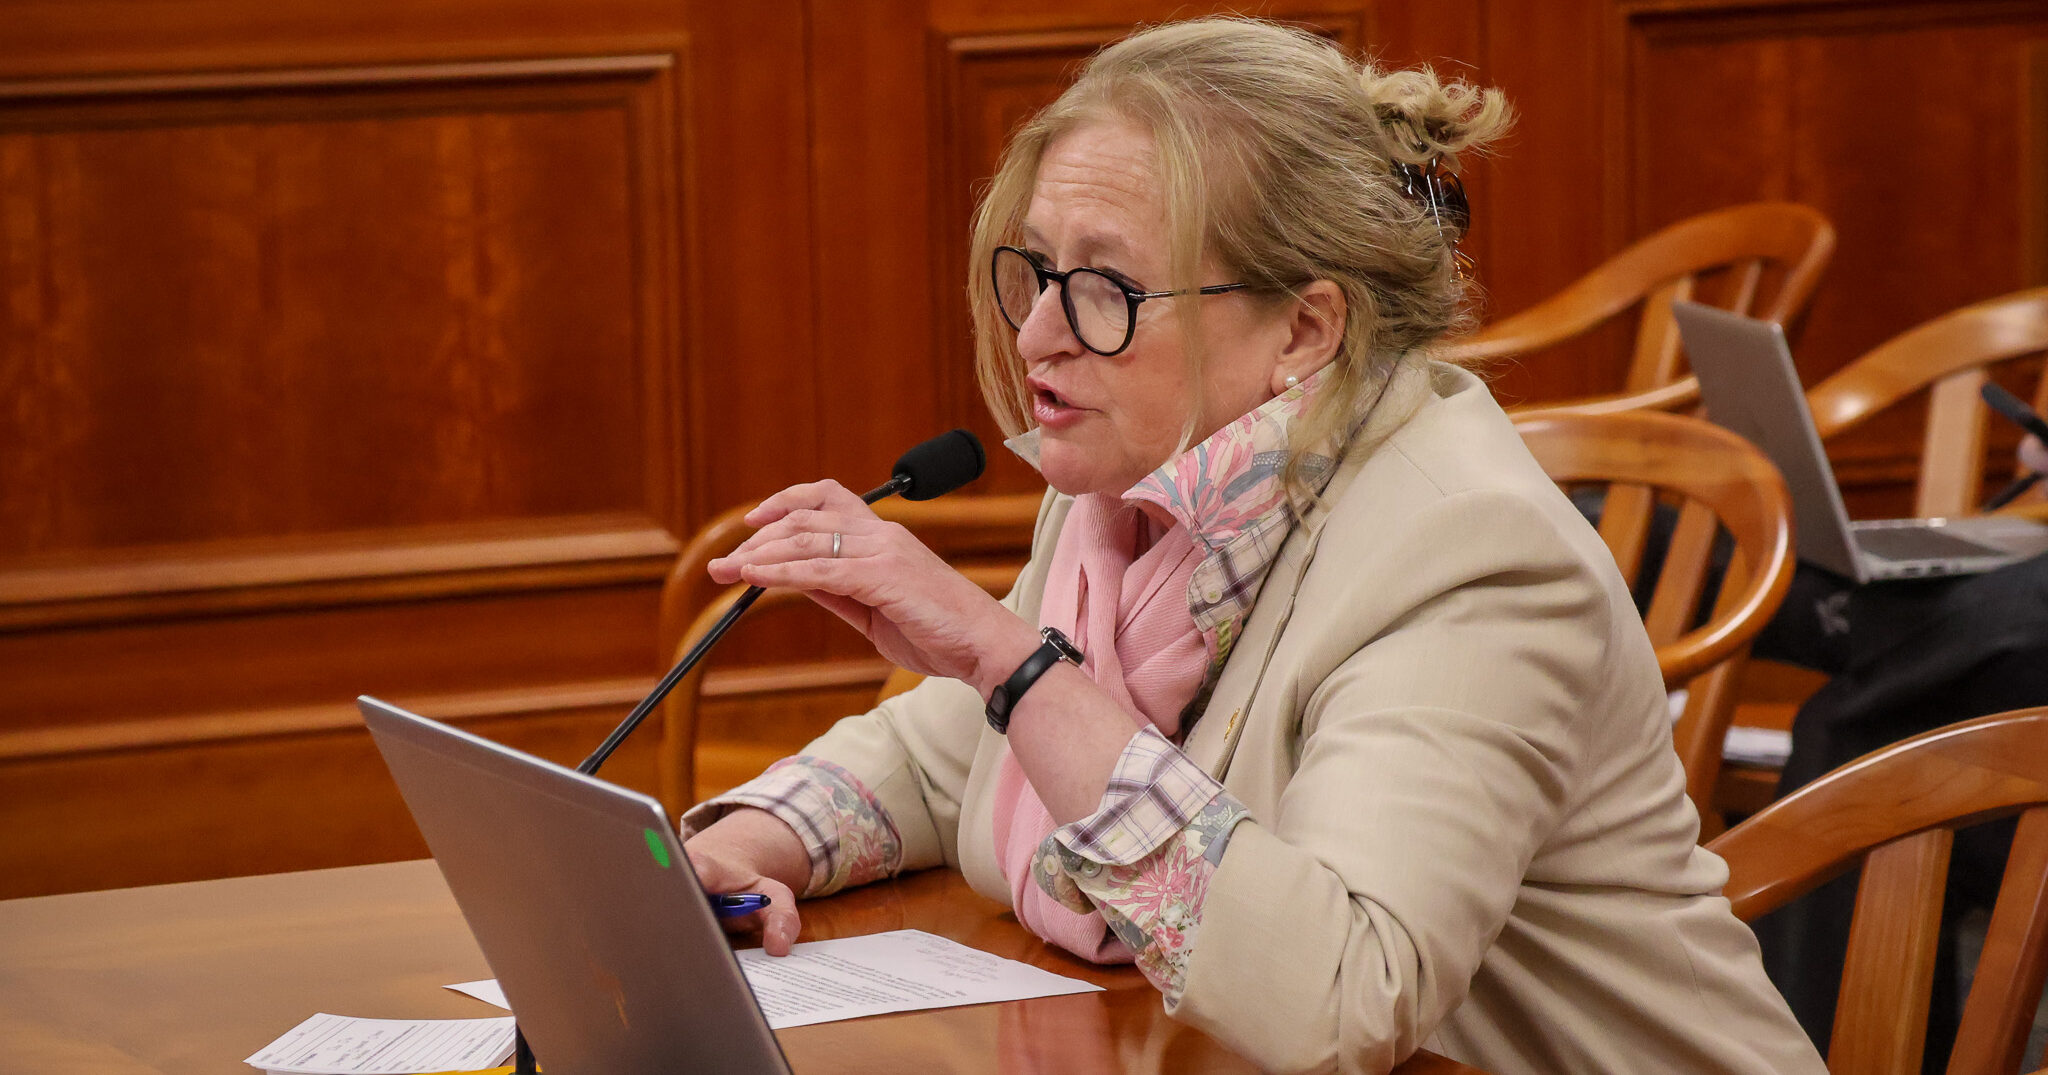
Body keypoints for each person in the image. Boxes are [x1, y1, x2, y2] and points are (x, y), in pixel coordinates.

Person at [682, 17, 1824, 1074]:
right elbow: (960, 757)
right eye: (1034, 271)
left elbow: (1343, 995)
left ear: (1303, 328)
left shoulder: (1471, 554)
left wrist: (1006, 658)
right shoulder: (1133, 484)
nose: (1036, 334)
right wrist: (750, 843)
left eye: (1105, 288)